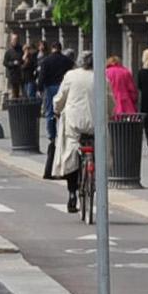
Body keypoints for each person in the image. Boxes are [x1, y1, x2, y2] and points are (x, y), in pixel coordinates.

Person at [48, 53, 98, 213]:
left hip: (74, 123)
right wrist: (109, 114)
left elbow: (60, 98)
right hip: (95, 124)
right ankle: (95, 178)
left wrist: (56, 110)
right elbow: (109, 99)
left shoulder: (70, 75)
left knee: (70, 156)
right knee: (100, 152)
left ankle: (71, 194)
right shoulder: (100, 76)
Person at [35, 42, 75, 145]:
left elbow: (42, 75)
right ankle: (64, 132)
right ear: (60, 49)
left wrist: (39, 88)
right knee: (64, 111)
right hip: (63, 87)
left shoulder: (46, 61)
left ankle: (52, 135)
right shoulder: (67, 61)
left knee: (50, 111)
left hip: (50, 87)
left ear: (52, 48)